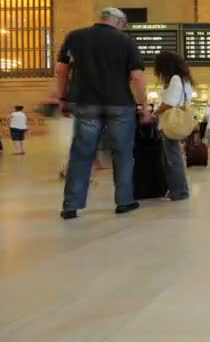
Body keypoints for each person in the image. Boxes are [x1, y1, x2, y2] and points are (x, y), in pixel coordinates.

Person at [53, 8, 152, 220]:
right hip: (120, 105)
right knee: (123, 153)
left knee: (81, 154)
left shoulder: (75, 36)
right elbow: (137, 77)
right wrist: (144, 106)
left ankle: (71, 206)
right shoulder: (126, 42)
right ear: (118, 21)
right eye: (123, 24)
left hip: (85, 103)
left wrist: (62, 98)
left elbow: (61, 70)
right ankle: (124, 202)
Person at [150, 50, 192, 201]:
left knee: (172, 159)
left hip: (169, 124)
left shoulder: (175, 79)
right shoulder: (185, 80)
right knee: (173, 158)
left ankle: (179, 192)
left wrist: (154, 113)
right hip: (178, 123)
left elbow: (169, 103)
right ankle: (176, 189)